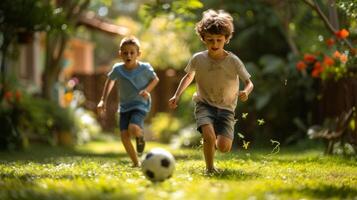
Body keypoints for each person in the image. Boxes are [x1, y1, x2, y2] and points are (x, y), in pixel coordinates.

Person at [168, 9, 254, 174]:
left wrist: (246, 91)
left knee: (224, 147)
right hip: (204, 104)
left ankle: (213, 142)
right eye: (210, 40)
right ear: (203, 39)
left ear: (226, 39)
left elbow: (249, 82)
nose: (214, 44)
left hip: (227, 109)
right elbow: (188, 77)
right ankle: (210, 168)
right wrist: (176, 94)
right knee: (209, 136)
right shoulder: (198, 59)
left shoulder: (233, 61)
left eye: (218, 40)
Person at [97, 36, 159, 167]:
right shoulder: (118, 69)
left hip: (140, 104)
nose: (128, 55)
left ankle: (140, 136)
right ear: (120, 54)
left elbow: (155, 79)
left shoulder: (145, 68)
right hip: (124, 106)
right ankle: (136, 163)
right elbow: (110, 81)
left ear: (138, 54)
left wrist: (147, 90)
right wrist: (103, 100)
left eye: (132, 52)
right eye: (125, 53)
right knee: (124, 136)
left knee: (133, 128)